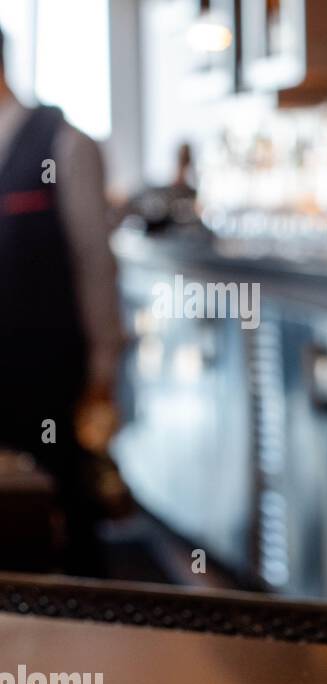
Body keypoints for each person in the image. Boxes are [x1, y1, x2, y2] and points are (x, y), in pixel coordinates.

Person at [0, 25, 123, 574]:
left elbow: (95, 264)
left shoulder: (65, 143)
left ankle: (88, 648)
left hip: (48, 374)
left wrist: (103, 368)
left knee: (65, 518)